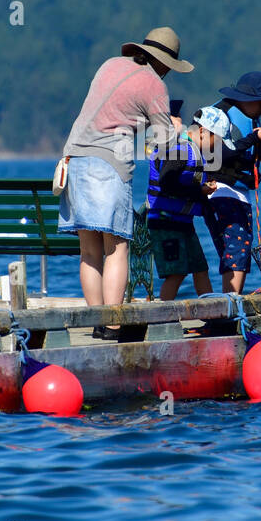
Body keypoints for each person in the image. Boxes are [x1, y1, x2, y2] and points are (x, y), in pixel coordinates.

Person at [59, 27, 193, 340]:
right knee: (116, 247)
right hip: (109, 164)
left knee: (88, 250)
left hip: (74, 158)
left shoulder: (108, 65)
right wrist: (177, 130)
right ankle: (114, 325)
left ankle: (98, 322)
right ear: (163, 63)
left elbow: (115, 108)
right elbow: (164, 142)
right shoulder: (155, 84)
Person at [203, 72, 261, 293]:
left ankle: (230, 303)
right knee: (236, 247)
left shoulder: (251, 116)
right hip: (219, 190)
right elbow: (215, 155)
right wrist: (251, 139)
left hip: (240, 193)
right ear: (247, 98)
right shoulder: (220, 114)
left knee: (241, 249)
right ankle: (231, 306)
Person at [146, 106, 233, 300]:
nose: (214, 147)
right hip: (165, 221)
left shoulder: (192, 150)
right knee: (176, 272)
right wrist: (199, 191)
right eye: (215, 140)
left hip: (182, 222)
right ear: (202, 131)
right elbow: (166, 183)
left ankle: (211, 315)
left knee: (200, 267)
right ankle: (160, 318)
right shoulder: (181, 149)